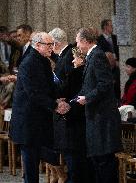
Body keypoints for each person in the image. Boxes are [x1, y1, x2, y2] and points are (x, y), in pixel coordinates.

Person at [9, 32, 70, 183]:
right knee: (31, 167)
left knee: (42, 157)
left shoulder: (42, 60)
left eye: (53, 44)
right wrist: (55, 105)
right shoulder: (29, 62)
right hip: (28, 122)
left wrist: (60, 97)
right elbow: (34, 93)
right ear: (37, 45)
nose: (52, 47)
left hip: (38, 121)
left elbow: (49, 87)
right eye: (48, 45)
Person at [75, 27, 122, 183]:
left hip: (102, 119)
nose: (77, 45)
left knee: (104, 161)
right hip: (96, 117)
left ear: (84, 41)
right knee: (97, 160)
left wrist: (87, 98)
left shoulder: (97, 56)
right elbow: (90, 85)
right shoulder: (92, 55)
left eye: (77, 41)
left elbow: (105, 84)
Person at [53, 47, 88, 183]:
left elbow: (62, 91)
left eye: (75, 58)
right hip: (82, 121)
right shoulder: (85, 73)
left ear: (82, 59)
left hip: (73, 121)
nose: (73, 61)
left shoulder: (75, 73)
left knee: (74, 162)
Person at [97, 19, 121, 104]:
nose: (112, 27)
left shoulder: (115, 38)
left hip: (117, 64)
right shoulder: (99, 40)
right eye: (111, 25)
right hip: (107, 66)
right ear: (105, 27)